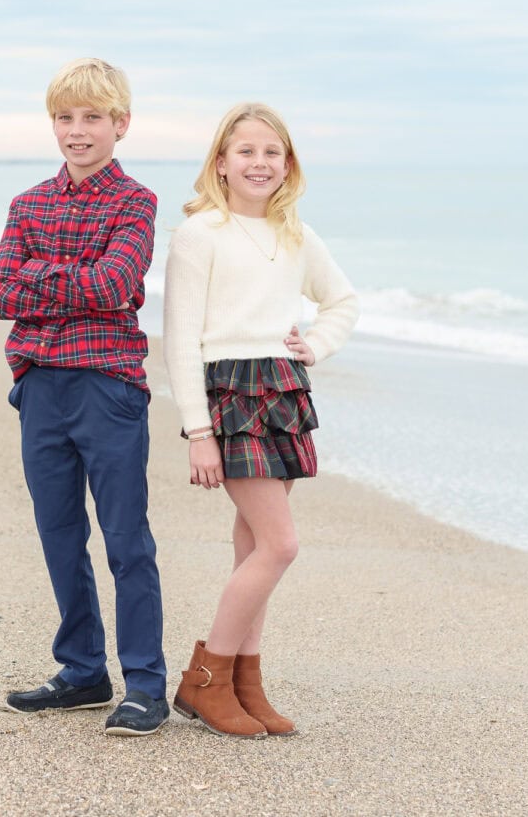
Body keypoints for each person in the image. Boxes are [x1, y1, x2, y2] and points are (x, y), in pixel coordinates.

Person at [162, 102, 359, 738]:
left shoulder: (298, 235)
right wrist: (198, 432)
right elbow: (179, 339)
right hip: (228, 394)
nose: (259, 162)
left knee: (253, 544)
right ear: (220, 163)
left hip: (280, 388)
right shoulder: (200, 233)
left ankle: (246, 682)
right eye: (245, 151)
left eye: (272, 152)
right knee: (280, 544)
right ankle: (204, 680)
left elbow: (343, 300)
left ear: (288, 165)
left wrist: (317, 345)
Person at [0, 58, 168, 737]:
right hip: (38, 386)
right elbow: (0, 293)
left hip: (109, 387)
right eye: (66, 117)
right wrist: (66, 278)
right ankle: (83, 670)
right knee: (60, 534)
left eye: (93, 117)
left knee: (126, 539)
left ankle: (145, 685)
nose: (78, 130)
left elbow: (115, 284)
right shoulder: (27, 204)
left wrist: (41, 274)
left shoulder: (136, 202)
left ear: (120, 124)